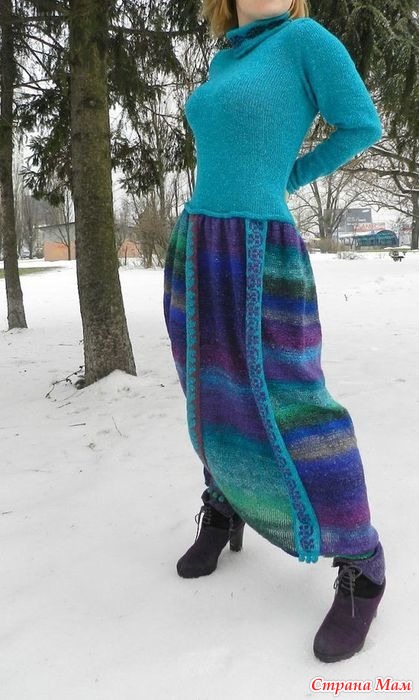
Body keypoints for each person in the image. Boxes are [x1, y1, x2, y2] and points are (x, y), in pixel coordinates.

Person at [163, 0, 386, 663]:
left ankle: (362, 562)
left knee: (296, 402)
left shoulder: (304, 40)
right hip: (197, 241)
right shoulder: (228, 56)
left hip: (261, 248)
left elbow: (360, 123)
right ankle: (226, 501)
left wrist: (288, 176)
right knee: (208, 390)